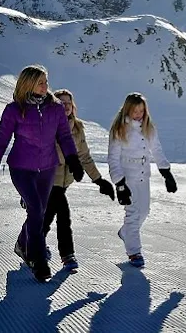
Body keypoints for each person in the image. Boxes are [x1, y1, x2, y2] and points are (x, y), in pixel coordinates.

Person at [0, 65, 84, 281]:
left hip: (47, 168)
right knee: (36, 209)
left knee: (40, 211)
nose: (46, 86)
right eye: (41, 82)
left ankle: (22, 243)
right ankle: (37, 259)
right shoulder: (14, 110)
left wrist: (72, 159)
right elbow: (0, 142)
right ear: (29, 84)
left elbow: (64, 136)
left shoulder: (55, 109)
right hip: (21, 168)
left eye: (46, 81)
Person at [41, 89, 115, 271]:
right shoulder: (46, 124)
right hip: (48, 180)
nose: (65, 106)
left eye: (68, 103)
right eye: (61, 102)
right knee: (62, 216)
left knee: (46, 216)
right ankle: (67, 255)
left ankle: (33, 243)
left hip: (64, 182)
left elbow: (85, 157)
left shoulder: (78, 128)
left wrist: (99, 180)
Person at [107, 92, 177, 267]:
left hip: (143, 174)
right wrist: (120, 184)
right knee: (133, 213)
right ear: (127, 110)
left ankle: (125, 233)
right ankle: (134, 251)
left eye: (141, 111)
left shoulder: (149, 127)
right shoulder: (119, 129)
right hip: (127, 175)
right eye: (135, 111)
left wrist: (166, 172)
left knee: (144, 211)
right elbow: (113, 158)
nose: (138, 114)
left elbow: (157, 150)